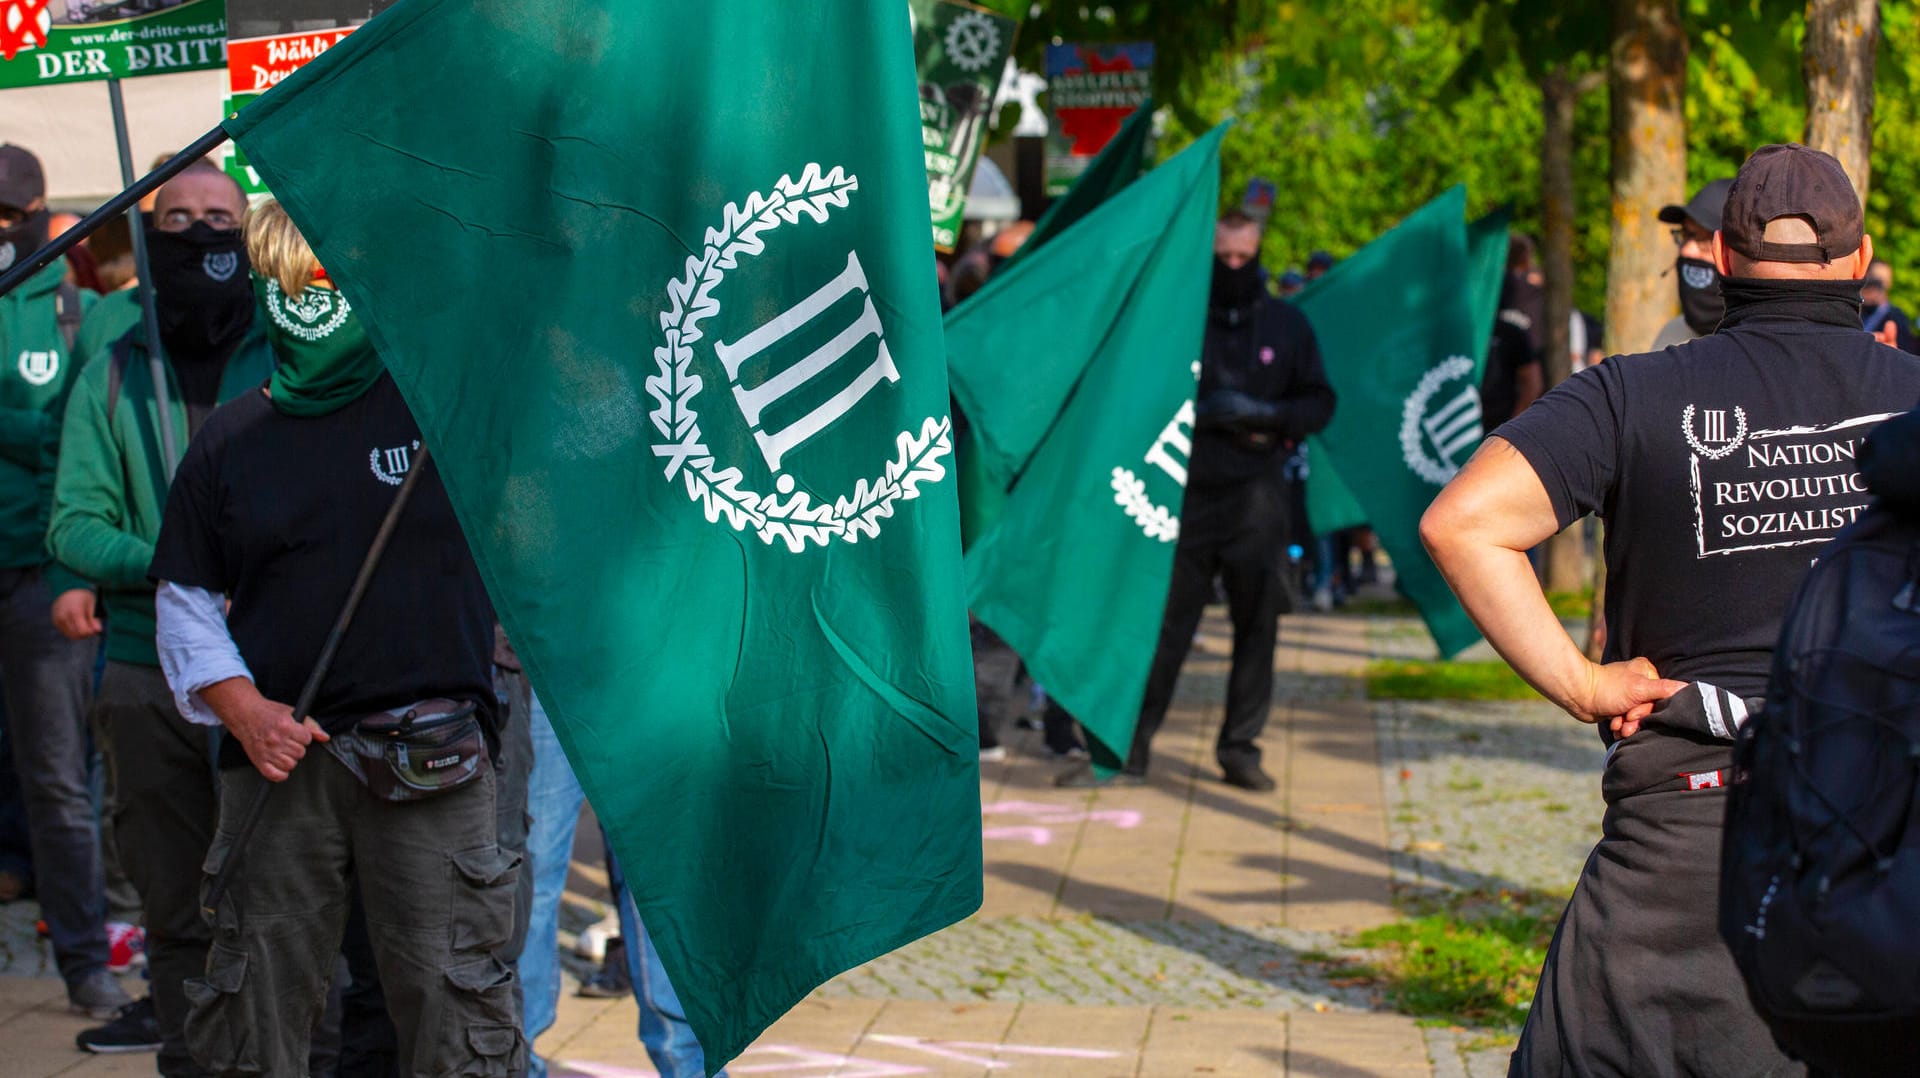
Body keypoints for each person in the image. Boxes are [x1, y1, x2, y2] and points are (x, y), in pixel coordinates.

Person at [1421, 143, 1920, 1077]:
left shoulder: (1632, 392)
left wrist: (1581, 684)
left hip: (1674, 861)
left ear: (1720, 262)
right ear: (1859, 263)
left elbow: (1465, 523)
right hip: (1880, 853)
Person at [150, 199, 521, 1077]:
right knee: (256, 1012)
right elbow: (184, 601)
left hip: (437, 763)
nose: (314, 298)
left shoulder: (449, 407)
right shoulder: (228, 443)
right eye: (292, 281)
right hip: (281, 769)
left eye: (331, 278)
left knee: (456, 1008)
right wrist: (244, 713)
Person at [47, 163, 275, 1063]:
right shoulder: (112, 367)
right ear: (144, 237)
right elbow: (73, 522)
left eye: (218, 218)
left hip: (276, 671)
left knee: (290, 910)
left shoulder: (285, 354)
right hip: (148, 675)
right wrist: (176, 565)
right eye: (174, 218)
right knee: (178, 910)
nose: (198, 234)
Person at [1060, 211, 1335, 792]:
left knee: (1257, 628)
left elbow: (1319, 403)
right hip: (1181, 496)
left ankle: (1240, 748)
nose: (1234, 268)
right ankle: (1128, 750)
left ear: (1258, 254)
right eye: (1223, 259)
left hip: (1258, 496)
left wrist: (1265, 414)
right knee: (1162, 630)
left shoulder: (1287, 325)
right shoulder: (1178, 321)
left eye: (1244, 258)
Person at [0, 142, 131, 1020]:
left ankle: (86, 959)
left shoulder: (76, 315)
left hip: (40, 588)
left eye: (6, 221)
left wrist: (64, 575)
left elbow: (73, 461)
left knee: (58, 779)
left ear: (41, 219)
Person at [516, 687, 725, 1078]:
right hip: (546, 668)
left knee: (656, 880)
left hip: (638, 672)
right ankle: (515, 1058)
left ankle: (691, 1066)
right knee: (532, 873)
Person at [1652, 177, 1735, 350]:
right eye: (1686, 235)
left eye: (1704, 240)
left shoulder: (1763, 347)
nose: (1686, 250)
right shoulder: (1671, 335)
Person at [1862, 258, 1917, 353]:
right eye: (1876, 280)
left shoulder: (1897, 317)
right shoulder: (1854, 311)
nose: (1880, 287)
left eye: (1885, 281)